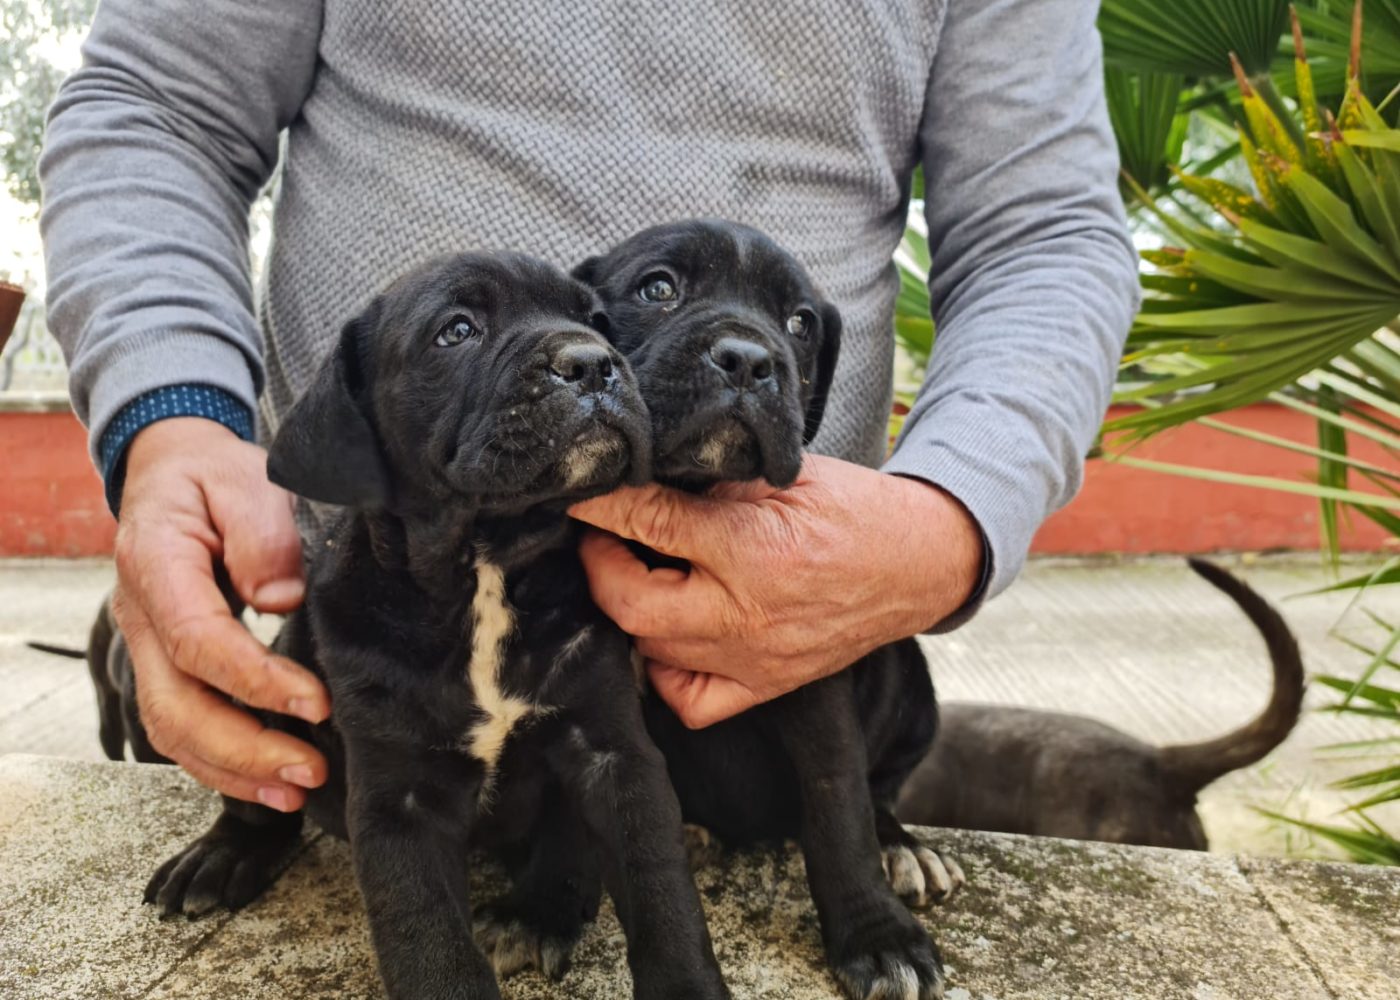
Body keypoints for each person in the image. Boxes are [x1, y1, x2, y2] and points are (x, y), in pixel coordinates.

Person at [41, 0, 1139, 813]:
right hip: (390, 632)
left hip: (745, 670)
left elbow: (1042, 233)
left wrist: (953, 511)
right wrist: (171, 409)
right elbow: (157, 106)